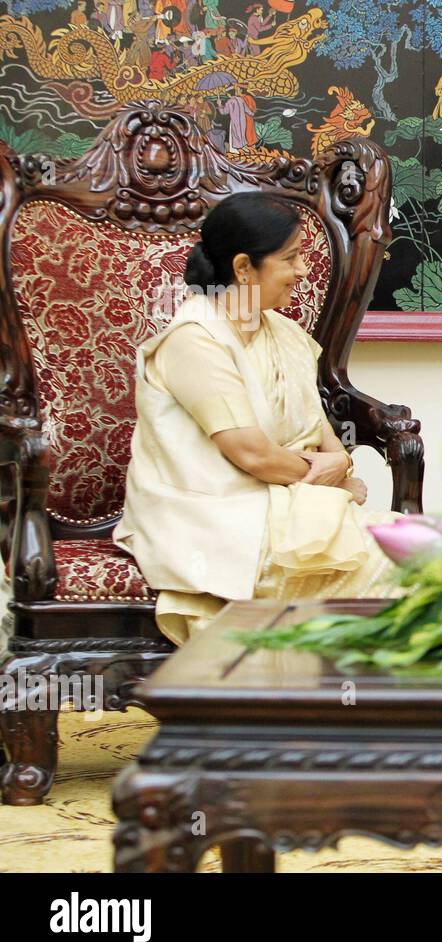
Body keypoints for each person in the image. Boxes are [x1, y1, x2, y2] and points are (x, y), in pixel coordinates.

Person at [114, 193, 401, 645]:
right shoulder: (195, 340)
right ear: (245, 267)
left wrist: (340, 468)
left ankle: (345, 702)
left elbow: (327, 439)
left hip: (288, 510)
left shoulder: (283, 332)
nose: (304, 271)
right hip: (216, 522)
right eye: (291, 259)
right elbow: (252, 454)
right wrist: (330, 479)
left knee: (423, 547)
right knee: (408, 564)